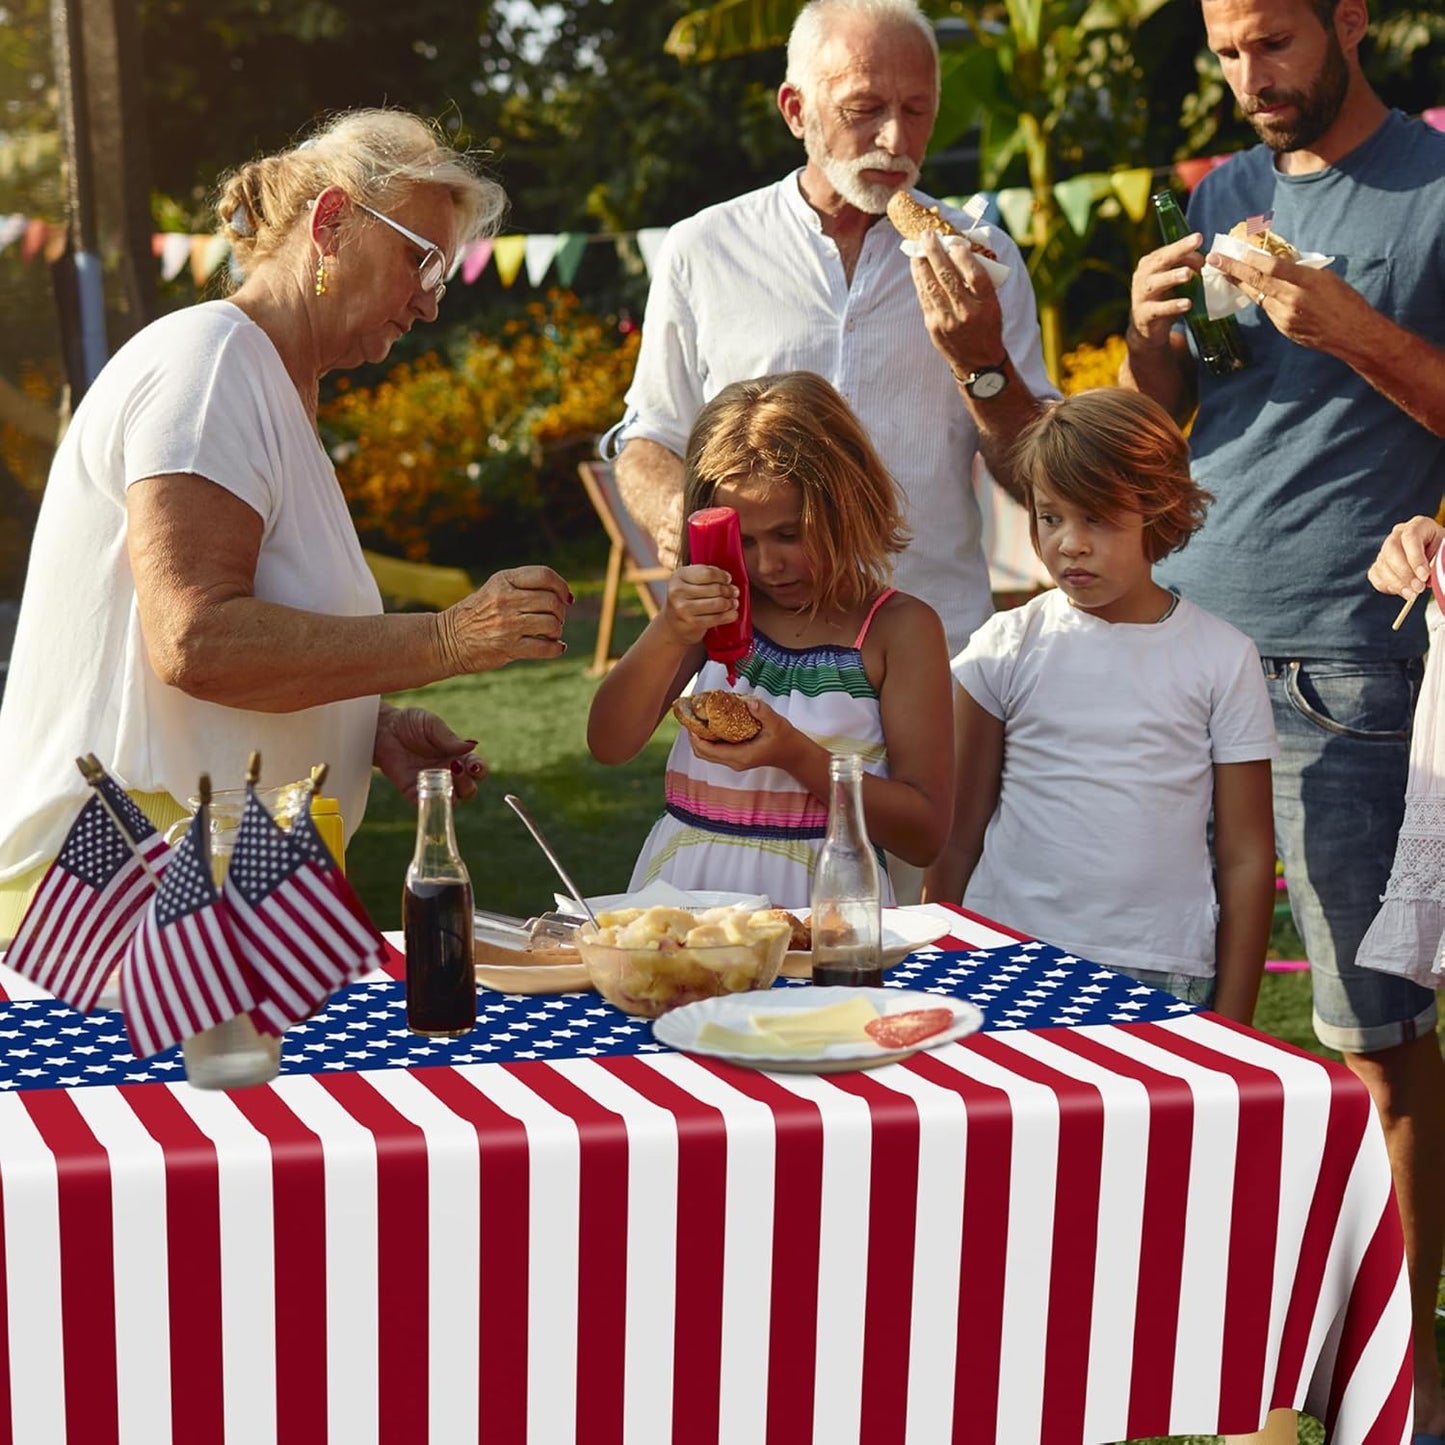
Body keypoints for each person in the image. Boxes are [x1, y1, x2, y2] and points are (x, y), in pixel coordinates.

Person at [0, 108, 574, 940]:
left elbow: (226, 646)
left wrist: (364, 720)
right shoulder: (210, 365)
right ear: (332, 221)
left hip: (207, 876)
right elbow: (196, 640)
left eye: (442, 273)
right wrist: (449, 638)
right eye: (420, 260)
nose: (429, 301)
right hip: (134, 890)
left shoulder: (258, 378)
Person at [1120, 0, 1445, 1433]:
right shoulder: (1224, 191)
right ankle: (1199, 1343)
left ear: (1349, 21)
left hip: (1340, 657)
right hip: (1173, 643)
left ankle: (1403, 1367)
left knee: (1371, 1036)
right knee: (1161, 1010)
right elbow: (1187, 428)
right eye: (1230, 50)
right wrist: (1148, 351)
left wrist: (1356, 328)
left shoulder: (1434, 190)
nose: (1253, 77)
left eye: (1276, 44)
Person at [610, 0, 1055, 664]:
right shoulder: (703, 248)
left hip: (940, 651)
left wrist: (982, 362)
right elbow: (648, 437)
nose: (895, 141)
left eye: (916, 109)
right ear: (796, 110)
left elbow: (1034, 478)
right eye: (863, 109)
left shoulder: (981, 258)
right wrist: (679, 517)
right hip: (753, 654)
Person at [921, 389, 1277, 1022]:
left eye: (1098, 519)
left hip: (1163, 972)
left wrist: (1234, 1018)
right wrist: (931, 969)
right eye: (1050, 517)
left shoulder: (1224, 657)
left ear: (1159, 512)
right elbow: (957, 833)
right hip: (1005, 959)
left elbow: (1247, 856)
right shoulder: (1005, 644)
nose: (1070, 544)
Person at [587, 371, 954, 909]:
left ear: (848, 505)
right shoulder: (715, 614)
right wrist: (670, 629)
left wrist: (795, 755)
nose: (767, 564)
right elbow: (609, 743)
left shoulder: (899, 630)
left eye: (790, 533)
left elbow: (923, 835)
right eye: (744, 540)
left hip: (824, 912)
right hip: (685, 903)